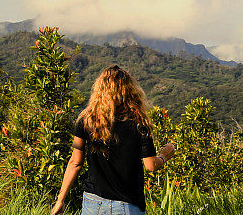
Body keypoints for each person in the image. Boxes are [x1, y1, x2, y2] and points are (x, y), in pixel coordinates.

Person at [51, 65, 176, 215]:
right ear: (130, 91)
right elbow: (151, 165)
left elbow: (75, 163)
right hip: (127, 205)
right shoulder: (139, 122)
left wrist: (60, 199)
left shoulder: (86, 120)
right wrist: (164, 155)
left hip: (93, 203)